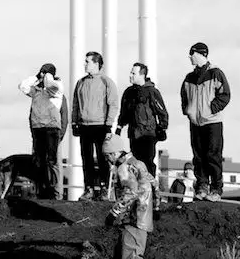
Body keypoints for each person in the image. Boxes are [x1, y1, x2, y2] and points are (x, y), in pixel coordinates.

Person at [102, 133, 175, 259]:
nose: (107, 159)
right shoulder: (138, 162)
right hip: (143, 218)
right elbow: (154, 183)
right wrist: (156, 207)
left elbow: (130, 192)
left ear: (116, 152)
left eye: (108, 155)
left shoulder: (123, 168)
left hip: (133, 220)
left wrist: (114, 213)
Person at [180, 42, 231, 202]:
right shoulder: (189, 77)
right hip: (195, 123)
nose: (189, 57)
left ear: (200, 54)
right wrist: (188, 111)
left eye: (191, 53)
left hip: (213, 122)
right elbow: (183, 96)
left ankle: (216, 189)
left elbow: (225, 94)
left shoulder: (216, 73)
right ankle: (202, 187)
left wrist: (211, 108)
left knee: (213, 156)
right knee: (198, 156)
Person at [115, 63, 169, 208]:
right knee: (135, 165)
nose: (130, 75)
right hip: (134, 134)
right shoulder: (128, 93)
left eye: (133, 73)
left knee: (148, 165)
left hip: (148, 135)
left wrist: (162, 128)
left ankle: (151, 196)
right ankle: (138, 196)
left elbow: (161, 111)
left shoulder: (151, 91)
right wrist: (118, 129)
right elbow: (124, 113)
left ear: (142, 75)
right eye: (130, 72)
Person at [71, 52, 119, 200]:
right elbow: (75, 105)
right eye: (85, 61)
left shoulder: (106, 82)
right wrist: (74, 122)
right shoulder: (80, 82)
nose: (85, 64)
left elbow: (113, 104)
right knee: (86, 159)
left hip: (100, 125)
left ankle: (104, 189)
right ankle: (89, 188)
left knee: (102, 158)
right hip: (84, 125)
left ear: (97, 63)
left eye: (88, 62)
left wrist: (108, 124)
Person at [19, 63, 65, 200]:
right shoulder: (37, 91)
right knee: (39, 160)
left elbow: (51, 85)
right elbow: (22, 86)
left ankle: (54, 191)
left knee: (51, 161)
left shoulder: (56, 87)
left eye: (45, 72)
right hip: (38, 127)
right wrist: (36, 77)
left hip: (51, 127)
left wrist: (48, 77)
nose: (43, 75)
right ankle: (42, 190)